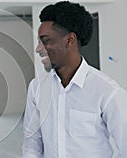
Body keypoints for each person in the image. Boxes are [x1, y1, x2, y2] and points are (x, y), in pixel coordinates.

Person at [23, 1, 127, 157]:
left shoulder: (107, 91)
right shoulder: (36, 87)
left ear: (70, 40)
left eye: (45, 41)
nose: (38, 49)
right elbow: (32, 140)